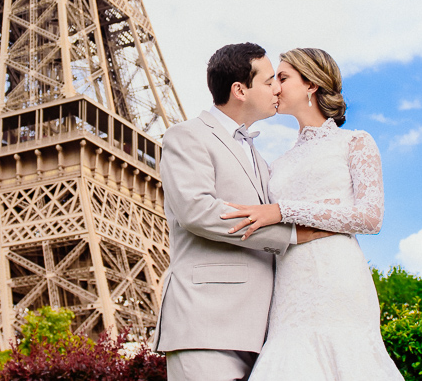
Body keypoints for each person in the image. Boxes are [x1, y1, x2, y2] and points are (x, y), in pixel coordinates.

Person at [152, 43, 333, 381]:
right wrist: (290, 235)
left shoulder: (258, 156)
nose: (277, 88)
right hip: (206, 323)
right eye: (268, 81)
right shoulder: (187, 136)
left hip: (264, 331)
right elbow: (197, 210)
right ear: (239, 90)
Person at [221, 46, 404, 379]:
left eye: (283, 77)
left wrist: (282, 210)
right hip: (289, 290)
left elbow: (369, 217)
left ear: (312, 85)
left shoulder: (354, 142)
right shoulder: (276, 164)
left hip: (338, 280)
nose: (274, 86)